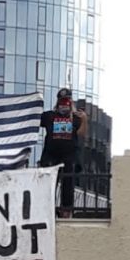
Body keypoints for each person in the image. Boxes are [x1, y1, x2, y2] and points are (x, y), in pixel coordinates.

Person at [39, 88, 88, 218]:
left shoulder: (76, 117)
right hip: (51, 156)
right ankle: (46, 209)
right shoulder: (50, 116)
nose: (64, 104)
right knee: (48, 184)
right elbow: (34, 119)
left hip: (69, 157)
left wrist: (84, 120)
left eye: (66, 101)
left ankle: (66, 211)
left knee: (68, 184)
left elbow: (81, 134)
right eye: (62, 101)